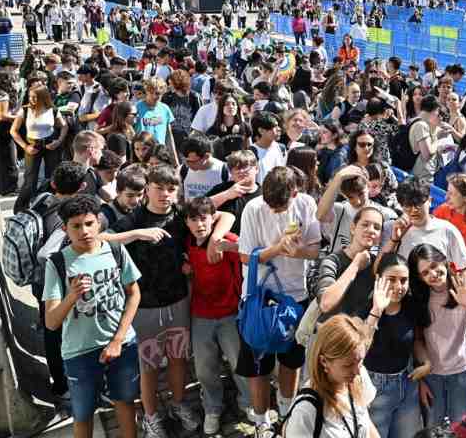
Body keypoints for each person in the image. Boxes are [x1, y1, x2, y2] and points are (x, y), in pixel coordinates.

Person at [106, 165, 232, 438]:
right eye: (159, 188)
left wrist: (216, 239)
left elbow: (225, 215)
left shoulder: (179, 214)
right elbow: (103, 239)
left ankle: (177, 404)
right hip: (145, 307)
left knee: (178, 359)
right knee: (149, 366)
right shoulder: (134, 218)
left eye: (171, 189)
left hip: (178, 301)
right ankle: (151, 417)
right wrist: (138, 234)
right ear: (147, 188)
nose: (165, 194)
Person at [42, 195, 142, 438]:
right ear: (65, 228)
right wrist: (72, 296)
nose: (84, 231)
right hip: (80, 352)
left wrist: (118, 340)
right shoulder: (57, 263)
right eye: (76, 226)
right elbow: (52, 321)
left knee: (125, 402)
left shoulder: (115, 250)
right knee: (83, 414)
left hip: (122, 345)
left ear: (98, 222)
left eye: (89, 223)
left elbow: (133, 294)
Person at [238, 166, 322, 438]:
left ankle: (287, 412)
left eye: (280, 206)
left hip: (295, 296)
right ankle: (262, 421)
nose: (273, 210)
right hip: (258, 300)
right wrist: (277, 248)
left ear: (295, 193)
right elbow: (244, 256)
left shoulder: (307, 203)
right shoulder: (253, 208)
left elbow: (315, 249)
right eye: (269, 204)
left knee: (292, 361)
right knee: (258, 365)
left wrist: (297, 251)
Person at [181, 197, 253, 434]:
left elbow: (248, 254)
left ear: (213, 219)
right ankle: (212, 407)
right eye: (194, 219)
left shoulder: (227, 239)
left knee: (237, 361)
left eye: (204, 218)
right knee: (204, 367)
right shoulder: (187, 243)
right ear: (186, 222)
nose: (200, 224)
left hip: (230, 312)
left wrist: (228, 246)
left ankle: (248, 402)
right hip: (201, 313)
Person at [410, 243, 466, 426]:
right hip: (432, 377)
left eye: (434, 266)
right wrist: (423, 377)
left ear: (444, 261)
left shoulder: (465, 289)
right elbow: (417, 340)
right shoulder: (419, 299)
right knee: (433, 430)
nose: (432, 274)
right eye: (425, 273)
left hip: (462, 373)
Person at [363, 252, 428, 438]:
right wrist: (377, 309)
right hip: (375, 389)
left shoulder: (410, 306)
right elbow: (359, 348)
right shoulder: (366, 308)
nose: (399, 287)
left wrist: (426, 362)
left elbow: (415, 340)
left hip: (407, 383)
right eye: (391, 279)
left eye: (403, 280)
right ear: (378, 279)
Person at [284, 315, 378, 438]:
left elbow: (366, 422)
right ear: (324, 361)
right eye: (348, 365)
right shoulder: (305, 412)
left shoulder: (358, 378)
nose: (357, 371)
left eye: (360, 361)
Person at [11, 83, 67, 211]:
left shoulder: (53, 109)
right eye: (30, 97)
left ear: (43, 97)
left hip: (50, 143)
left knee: (52, 177)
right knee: (30, 180)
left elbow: (64, 126)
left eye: (35, 97)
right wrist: (25, 147)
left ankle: (51, 206)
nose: (32, 100)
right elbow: (13, 131)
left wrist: (58, 141)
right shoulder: (25, 110)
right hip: (32, 144)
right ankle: (21, 209)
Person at [206, 149, 262, 234]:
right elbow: (199, 208)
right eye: (237, 168)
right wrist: (226, 195)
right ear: (231, 172)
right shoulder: (222, 189)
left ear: (256, 169)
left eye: (245, 167)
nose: (241, 171)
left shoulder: (265, 193)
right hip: (225, 243)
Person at [179, 134, 230, 201]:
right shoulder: (183, 169)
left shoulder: (225, 171)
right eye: (185, 160)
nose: (187, 165)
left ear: (206, 156)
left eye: (192, 162)